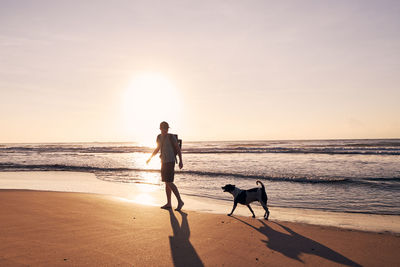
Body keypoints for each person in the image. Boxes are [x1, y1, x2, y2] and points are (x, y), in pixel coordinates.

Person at [146, 121, 184, 211]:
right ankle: (169, 203)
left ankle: (180, 201)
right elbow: (157, 148)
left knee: (169, 182)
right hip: (163, 161)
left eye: (166, 128)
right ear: (160, 128)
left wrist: (181, 161)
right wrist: (150, 158)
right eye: (164, 128)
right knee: (166, 183)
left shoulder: (171, 137)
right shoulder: (159, 137)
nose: (165, 130)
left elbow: (178, 149)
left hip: (170, 161)